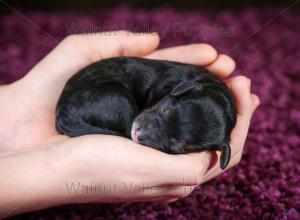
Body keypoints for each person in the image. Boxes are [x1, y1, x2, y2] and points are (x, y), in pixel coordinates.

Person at [0, 31, 259, 217]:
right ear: (181, 90)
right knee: (122, 103)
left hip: (92, 103)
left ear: (220, 150)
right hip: (92, 95)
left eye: (174, 144)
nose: (143, 131)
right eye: (164, 112)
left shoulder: (189, 96)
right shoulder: (183, 82)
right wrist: (60, 170)